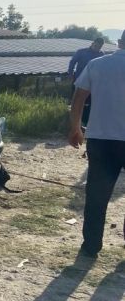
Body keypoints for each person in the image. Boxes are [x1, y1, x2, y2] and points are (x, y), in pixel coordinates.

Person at [67, 29, 125, 258]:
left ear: (119, 42)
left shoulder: (98, 65)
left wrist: (75, 128)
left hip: (101, 139)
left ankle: (91, 246)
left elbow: (78, 97)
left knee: (97, 196)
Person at [68, 38, 105, 126]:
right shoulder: (81, 52)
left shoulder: (101, 54)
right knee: (77, 101)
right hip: (79, 81)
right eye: (96, 46)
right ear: (92, 43)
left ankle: (85, 122)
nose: (97, 48)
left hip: (94, 83)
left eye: (99, 47)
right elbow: (72, 62)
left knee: (90, 102)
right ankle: (73, 122)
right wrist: (70, 74)